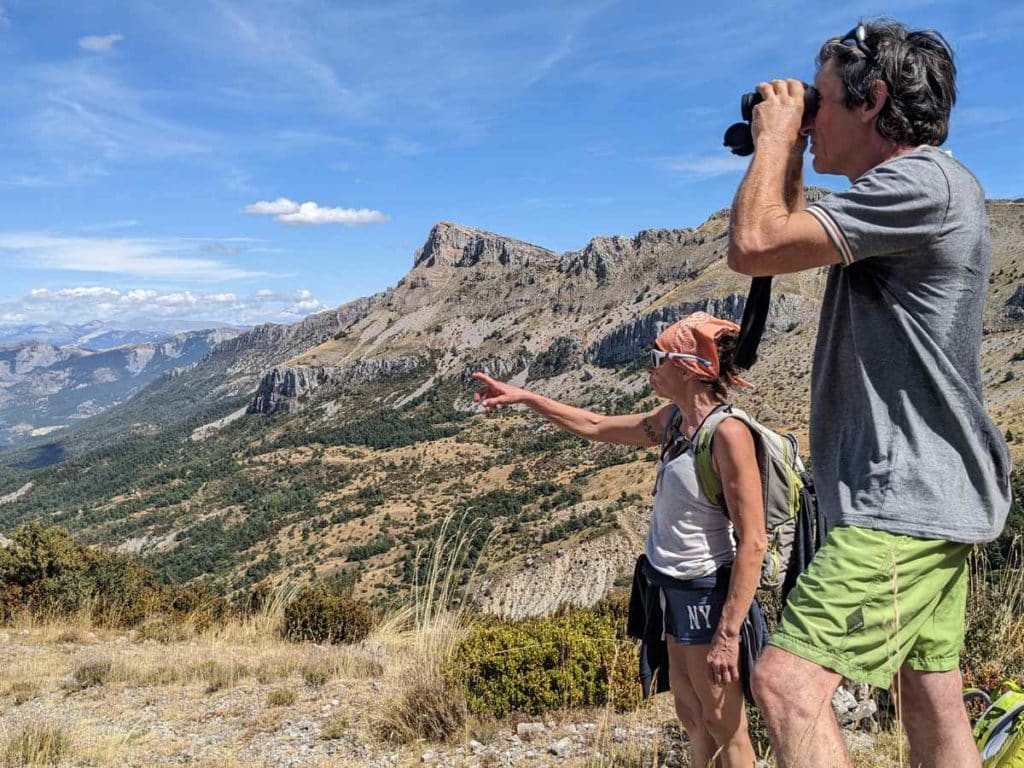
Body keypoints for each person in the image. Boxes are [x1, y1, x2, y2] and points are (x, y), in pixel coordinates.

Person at [727, 18, 1012, 768]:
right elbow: (782, 235)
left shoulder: (920, 184)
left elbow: (754, 243)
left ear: (873, 98)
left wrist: (777, 138)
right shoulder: (913, 192)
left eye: (820, 101)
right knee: (930, 695)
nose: (812, 120)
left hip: (903, 500)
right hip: (930, 495)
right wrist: (789, 143)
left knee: (786, 686)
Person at [473, 312, 767, 768]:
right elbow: (594, 425)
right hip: (665, 588)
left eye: (657, 358)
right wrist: (526, 398)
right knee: (691, 714)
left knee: (725, 725)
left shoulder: (728, 434)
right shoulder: (673, 421)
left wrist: (729, 634)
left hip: (705, 594)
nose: (650, 368)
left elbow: (753, 542)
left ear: (687, 367)